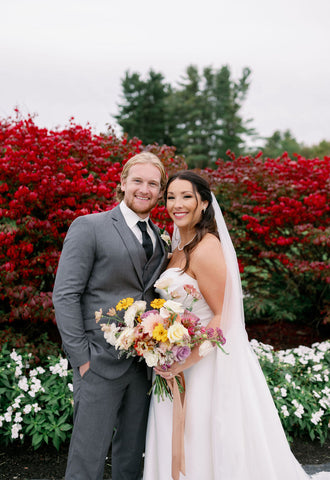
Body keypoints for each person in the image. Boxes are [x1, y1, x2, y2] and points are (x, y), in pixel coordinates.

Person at [143, 170, 329, 480]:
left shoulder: (207, 248)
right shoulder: (175, 249)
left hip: (205, 366)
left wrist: (185, 360)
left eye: (186, 196)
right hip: (173, 363)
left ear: (203, 203)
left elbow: (221, 316)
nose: (177, 204)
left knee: (204, 435)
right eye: (171, 197)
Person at [52, 152, 168, 480]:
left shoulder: (161, 238)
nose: (144, 189)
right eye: (138, 181)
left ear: (160, 192)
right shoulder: (90, 227)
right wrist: (82, 359)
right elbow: (65, 295)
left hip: (142, 366)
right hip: (98, 362)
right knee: (87, 459)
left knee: (131, 459)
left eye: (153, 184)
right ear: (122, 183)